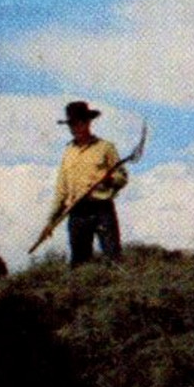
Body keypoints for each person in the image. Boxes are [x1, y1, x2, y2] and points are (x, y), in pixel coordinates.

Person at [52, 100, 127, 266]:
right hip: (76, 212)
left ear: (87, 122)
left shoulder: (105, 148)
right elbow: (61, 188)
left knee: (113, 258)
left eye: (77, 123)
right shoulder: (68, 152)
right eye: (71, 124)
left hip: (102, 208)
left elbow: (122, 177)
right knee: (79, 262)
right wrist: (52, 219)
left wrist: (109, 179)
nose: (74, 128)